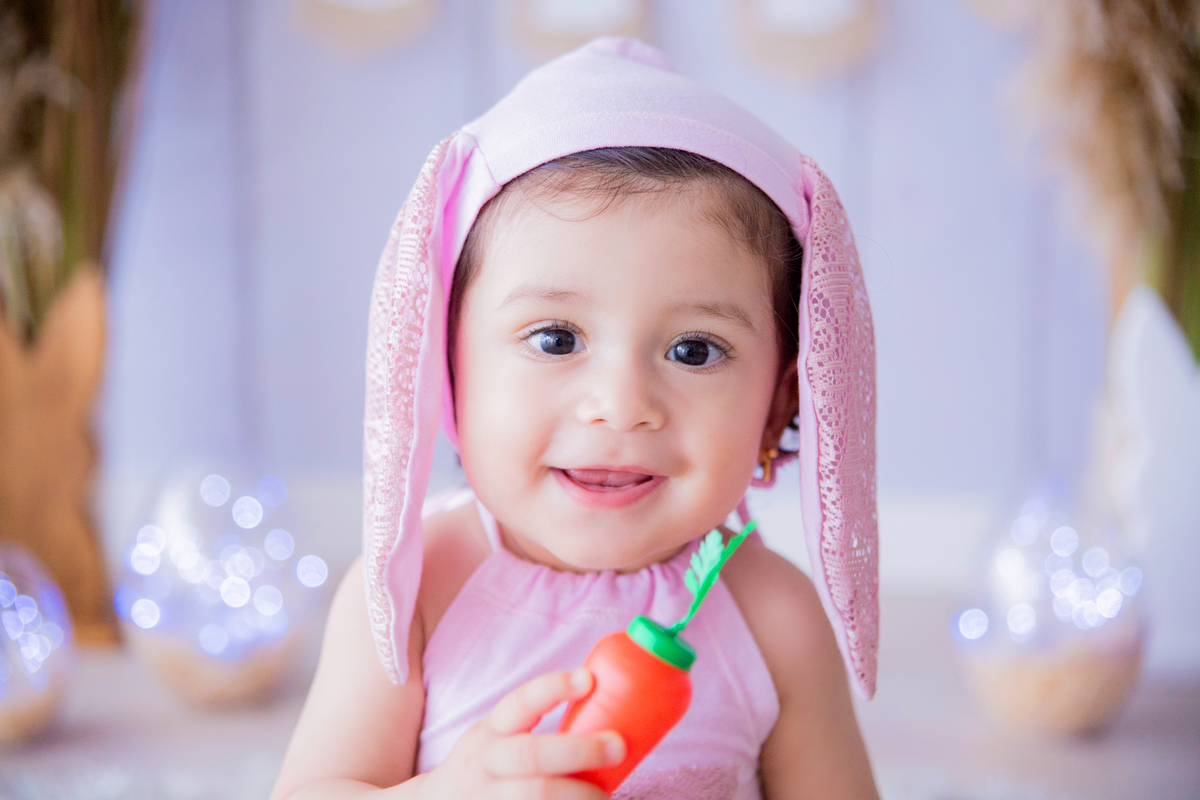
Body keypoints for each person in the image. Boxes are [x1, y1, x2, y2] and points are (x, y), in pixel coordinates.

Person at [271, 37, 880, 800]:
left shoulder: (774, 617)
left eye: (695, 350)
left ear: (780, 404)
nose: (622, 405)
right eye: (555, 339)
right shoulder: (413, 596)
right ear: (445, 368)